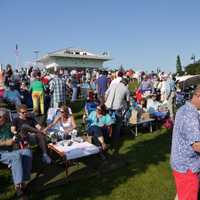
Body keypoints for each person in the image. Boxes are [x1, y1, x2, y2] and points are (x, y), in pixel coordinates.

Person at [170, 85, 200, 200]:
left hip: (180, 162)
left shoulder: (184, 108)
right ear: (198, 96)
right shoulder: (190, 115)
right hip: (188, 167)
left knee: (183, 194)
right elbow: (197, 146)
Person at [0, 108, 32, 196]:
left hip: (12, 149)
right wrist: (8, 142)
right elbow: (6, 142)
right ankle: (18, 186)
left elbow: (15, 136)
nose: (1, 119)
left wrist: (21, 139)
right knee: (16, 156)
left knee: (27, 152)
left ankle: (24, 181)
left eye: (1, 117)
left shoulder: (8, 126)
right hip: (1, 153)